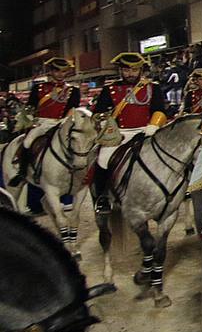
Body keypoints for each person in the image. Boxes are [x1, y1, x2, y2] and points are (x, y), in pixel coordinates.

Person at [91, 53, 168, 214]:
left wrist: (153, 126)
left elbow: (160, 109)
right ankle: (102, 197)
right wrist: (105, 122)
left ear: (141, 70)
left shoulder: (153, 87)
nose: (130, 73)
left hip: (146, 131)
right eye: (126, 70)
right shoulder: (109, 89)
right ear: (120, 70)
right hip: (120, 134)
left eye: (134, 70)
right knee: (103, 160)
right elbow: (98, 113)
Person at [14, 57, 83, 183]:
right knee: (27, 142)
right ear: (50, 72)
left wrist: (65, 123)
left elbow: (73, 109)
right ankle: (22, 172)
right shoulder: (39, 88)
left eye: (63, 71)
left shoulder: (73, 90)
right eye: (57, 71)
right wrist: (28, 120)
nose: (60, 75)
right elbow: (31, 107)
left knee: (78, 143)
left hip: (61, 123)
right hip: (42, 123)